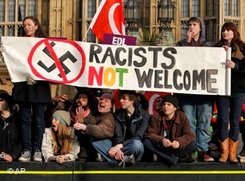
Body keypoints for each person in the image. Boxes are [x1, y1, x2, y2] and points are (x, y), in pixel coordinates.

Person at [13, 16, 52, 162]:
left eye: (29, 25)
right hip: (24, 84)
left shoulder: (45, 43)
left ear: (36, 26)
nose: (26, 28)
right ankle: (26, 150)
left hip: (39, 85)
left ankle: (37, 150)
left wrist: (40, 76)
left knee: (39, 120)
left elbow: (51, 62)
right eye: (24, 26)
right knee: (24, 119)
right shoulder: (18, 44)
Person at [176, 17, 214, 162]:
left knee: (204, 121)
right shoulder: (181, 44)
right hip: (187, 90)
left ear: (200, 28)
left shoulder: (207, 45)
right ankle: (191, 149)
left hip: (204, 91)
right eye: (189, 25)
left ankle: (203, 149)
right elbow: (177, 58)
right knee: (189, 122)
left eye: (194, 25)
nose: (191, 27)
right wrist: (187, 41)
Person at [214, 22, 245, 163]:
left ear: (234, 32)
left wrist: (235, 65)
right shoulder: (216, 47)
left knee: (234, 121)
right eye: (223, 30)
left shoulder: (242, 47)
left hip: (238, 89)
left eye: (228, 30)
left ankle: (232, 153)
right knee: (222, 120)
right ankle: (224, 152)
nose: (225, 33)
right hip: (221, 88)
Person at [144, 95, 197, 166]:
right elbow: (150, 133)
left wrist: (179, 142)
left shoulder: (182, 116)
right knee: (146, 142)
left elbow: (190, 135)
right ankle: (178, 159)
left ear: (175, 108)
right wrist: (161, 140)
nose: (165, 106)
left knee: (193, 144)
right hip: (162, 147)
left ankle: (164, 157)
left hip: (175, 148)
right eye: (164, 104)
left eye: (169, 104)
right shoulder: (156, 116)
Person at [73, 92, 115, 161]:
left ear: (111, 106)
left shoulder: (107, 117)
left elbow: (100, 130)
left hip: (89, 156)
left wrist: (83, 125)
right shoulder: (96, 114)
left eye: (106, 101)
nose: (102, 102)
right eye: (101, 99)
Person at [71, 89, 98, 160]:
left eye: (84, 99)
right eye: (79, 98)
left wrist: (80, 120)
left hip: (85, 152)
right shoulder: (71, 110)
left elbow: (89, 132)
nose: (80, 100)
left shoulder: (92, 114)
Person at [0, 91, 21, 162]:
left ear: (8, 101)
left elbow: (22, 141)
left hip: (15, 163)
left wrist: (12, 155)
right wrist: (2, 155)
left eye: (1, 100)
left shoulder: (18, 120)